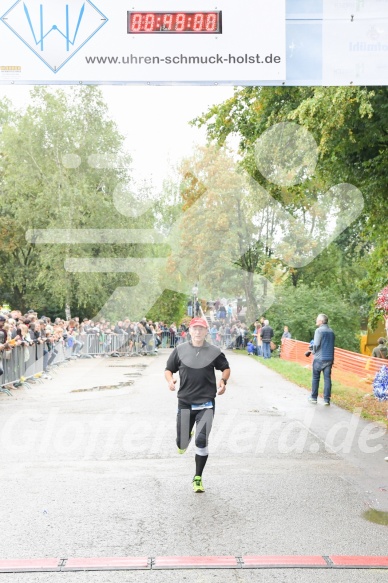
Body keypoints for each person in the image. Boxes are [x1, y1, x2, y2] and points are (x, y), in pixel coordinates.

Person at [165, 317, 230, 493]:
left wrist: (223, 381)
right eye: (195, 329)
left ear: (206, 331)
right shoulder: (180, 350)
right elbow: (169, 369)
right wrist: (171, 381)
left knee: (201, 441)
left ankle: (198, 477)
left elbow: (225, 367)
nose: (198, 332)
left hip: (206, 402)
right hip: (185, 402)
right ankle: (186, 437)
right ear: (190, 331)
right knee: (182, 444)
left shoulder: (214, 351)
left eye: (201, 329)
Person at [309, 313, 335, 406]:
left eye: (317, 319)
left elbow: (316, 344)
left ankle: (313, 398)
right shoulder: (331, 331)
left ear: (321, 321)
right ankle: (326, 400)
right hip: (329, 358)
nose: (316, 321)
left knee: (316, 378)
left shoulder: (319, 331)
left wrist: (312, 350)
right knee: (327, 379)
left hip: (319, 358)